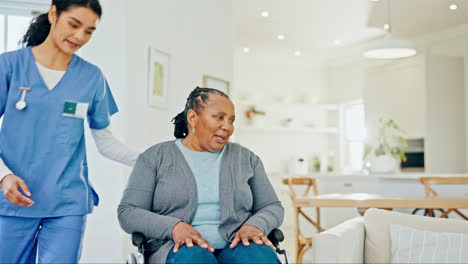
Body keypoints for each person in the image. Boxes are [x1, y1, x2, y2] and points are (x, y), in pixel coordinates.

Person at [0, 0, 139, 263]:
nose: (79, 36)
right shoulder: (9, 66)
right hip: (14, 198)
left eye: (88, 31)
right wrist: (4, 176)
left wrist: (154, 159)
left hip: (67, 200)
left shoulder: (90, 77)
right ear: (53, 14)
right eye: (74, 25)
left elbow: (105, 142)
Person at [118, 87, 284, 264]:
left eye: (231, 120)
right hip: (175, 247)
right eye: (219, 117)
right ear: (192, 118)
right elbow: (128, 212)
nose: (227, 127)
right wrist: (173, 227)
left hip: (239, 244)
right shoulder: (155, 157)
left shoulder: (247, 158)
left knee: (260, 259)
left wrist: (255, 225)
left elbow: (272, 206)